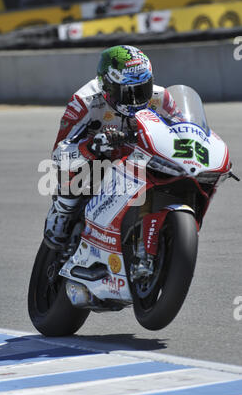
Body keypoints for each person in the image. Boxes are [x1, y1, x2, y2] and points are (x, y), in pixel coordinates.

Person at [44, 45, 179, 250]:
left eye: (143, 88)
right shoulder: (84, 102)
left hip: (142, 159)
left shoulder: (161, 97)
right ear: (107, 86)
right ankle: (63, 212)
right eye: (127, 92)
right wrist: (92, 146)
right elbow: (58, 155)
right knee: (74, 176)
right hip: (99, 161)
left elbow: (184, 131)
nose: (137, 99)